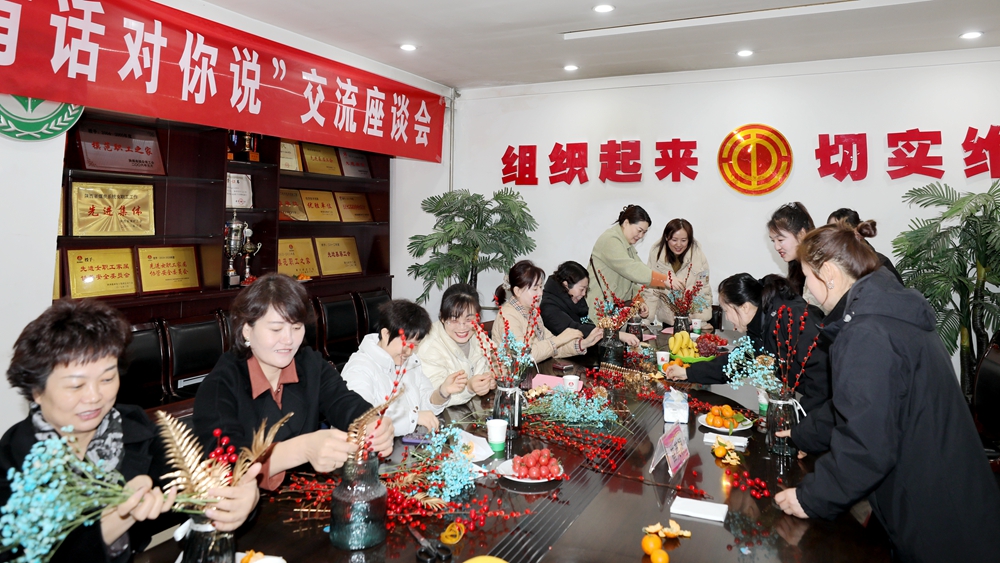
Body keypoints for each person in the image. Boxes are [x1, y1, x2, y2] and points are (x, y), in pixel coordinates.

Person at [773, 222, 1000, 562]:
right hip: (955, 491)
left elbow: (867, 443)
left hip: (936, 515)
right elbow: (857, 404)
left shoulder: (867, 332)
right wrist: (803, 434)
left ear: (829, 274)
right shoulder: (884, 313)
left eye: (807, 277)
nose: (806, 288)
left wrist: (810, 498)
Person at [2, 300, 258, 563]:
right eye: (76, 386)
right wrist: (117, 518)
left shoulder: (133, 430)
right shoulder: (13, 460)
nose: (94, 396)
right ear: (37, 390)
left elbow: (199, 492)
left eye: (107, 379)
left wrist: (242, 499)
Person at [194, 273, 394, 491]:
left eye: (296, 327)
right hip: (248, 504)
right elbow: (227, 463)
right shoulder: (220, 385)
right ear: (247, 330)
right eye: (276, 329)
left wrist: (372, 423)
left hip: (304, 495)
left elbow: (344, 402)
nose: (288, 340)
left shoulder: (309, 364)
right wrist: (302, 449)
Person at [665, 274, 830, 414]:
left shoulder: (790, 318)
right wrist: (688, 372)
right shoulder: (762, 324)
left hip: (828, 405)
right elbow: (736, 363)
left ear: (744, 307)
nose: (727, 318)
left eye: (727, 311)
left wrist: (804, 429)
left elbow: (822, 379)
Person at [342, 299, 467, 436]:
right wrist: (414, 418)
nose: (409, 352)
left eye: (415, 345)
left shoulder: (409, 361)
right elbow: (360, 420)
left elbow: (423, 405)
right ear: (386, 334)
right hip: (372, 446)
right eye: (406, 344)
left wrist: (442, 392)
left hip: (404, 441)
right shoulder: (360, 368)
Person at [494, 260, 602, 362]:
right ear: (517, 291)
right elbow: (523, 356)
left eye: (541, 287)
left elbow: (552, 349)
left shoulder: (532, 312)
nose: (540, 293)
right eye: (535, 289)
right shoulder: (507, 316)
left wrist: (583, 343)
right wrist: (559, 340)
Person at [416, 284, 497, 407]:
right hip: (441, 414)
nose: (462, 327)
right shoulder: (428, 346)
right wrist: (469, 388)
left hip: (472, 408)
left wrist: (490, 378)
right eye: (454, 320)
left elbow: (494, 361)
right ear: (442, 317)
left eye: (469, 319)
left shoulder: (477, 332)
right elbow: (433, 397)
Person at [586, 205, 667, 321]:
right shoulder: (610, 240)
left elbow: (631, 279)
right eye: (639, 230)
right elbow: (631, 269)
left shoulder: (627, 246)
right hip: (599, 310)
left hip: (615, 312)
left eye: (644, 232)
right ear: (626, 223)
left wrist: (639, 300)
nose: (641, 236)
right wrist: (664, 280)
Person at [540, 261, 638, 348]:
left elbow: (586, 323)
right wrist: (615, 335)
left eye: (586, 289)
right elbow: (574, 329)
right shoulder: (549, 307)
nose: (584, 294)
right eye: (582, 289)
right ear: (566, 285)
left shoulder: (573, 300)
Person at [644, 218, 713, 327]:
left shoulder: (698, 256)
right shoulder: (656, 255)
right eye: (674, 240)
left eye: (684, 240)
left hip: (691, 320)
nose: (679, 244)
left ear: (689, 239)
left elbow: (703, 289)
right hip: (667, 321)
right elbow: (651, 290)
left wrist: (701, 322)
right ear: (666, 237)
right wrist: (646, 320)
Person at [826, 207, 903, 284]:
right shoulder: (827, 264)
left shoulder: (879, 263)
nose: (833, 236)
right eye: (830, 230)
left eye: (839, 231)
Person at [767, 202, 816, 302]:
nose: (776, 247)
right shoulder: (796, 265)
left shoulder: (818, 265)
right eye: (773, 241)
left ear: (801, 234)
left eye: (780, 240)